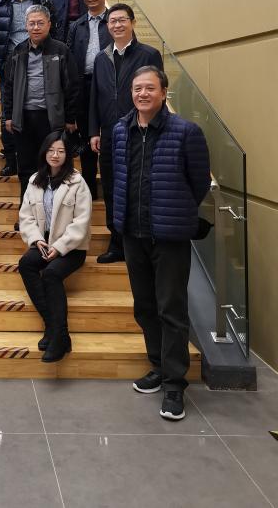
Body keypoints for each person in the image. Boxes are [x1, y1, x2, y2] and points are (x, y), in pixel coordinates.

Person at [112, 67, 210, 421]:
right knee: (145, 306)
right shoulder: (121, 129)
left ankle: (174, 384)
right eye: (137, 88)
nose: (142, 94)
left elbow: (199, 183)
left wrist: (176, 213)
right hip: (132, 233)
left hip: (169, 236)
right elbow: (119, 176)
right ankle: (158, 366)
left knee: (172, 309)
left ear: (163, 92)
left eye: (149, 88)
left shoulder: (186, 132)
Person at [89, 3, 163, 264]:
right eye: (112, 21)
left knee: (138, 186)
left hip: (141, 133)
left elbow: (158, 95)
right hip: (110, 134)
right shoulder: (101, 57)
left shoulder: (149, 54)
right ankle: (117, 242)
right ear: (107, 26)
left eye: (122, 20)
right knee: (111, 188)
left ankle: (141, 242)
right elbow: (95, 96)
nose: (117, 25)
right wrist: (94, 131)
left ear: (132, 23)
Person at [18, 132, 92, 362]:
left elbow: (81, 222)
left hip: (72, 248)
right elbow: (26, 216)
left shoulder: (78, 182)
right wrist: (36, 239)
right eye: (51, 150)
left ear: (67, 154)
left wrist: (59, 247)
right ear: (44, 152)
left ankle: (57, 336)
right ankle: (56, 330)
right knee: (26, 264)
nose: (55, 155)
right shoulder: (35, 180)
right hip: (44, 242)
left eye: (60, 151)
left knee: (51, 274)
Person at [3, 5, 79, 205]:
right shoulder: (18, 51)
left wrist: (70, 118)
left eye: (40, 23)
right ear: (26, 26)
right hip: (23, 118)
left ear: (49, 24)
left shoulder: (61, 50)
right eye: (32, 23)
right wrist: (8, 116)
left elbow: (72, 86)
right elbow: (8, 86)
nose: (36, 27)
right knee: (26, 167)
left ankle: (54, 209)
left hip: (51, 119)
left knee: (54, 165)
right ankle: (26, 209)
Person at [0, 0, 53, 176]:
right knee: (8, 111)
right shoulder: (0, 2)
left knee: (39, 108)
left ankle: (42, 158)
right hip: (10, 61)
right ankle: (11, 158)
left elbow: (51, 28)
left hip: (39, 59)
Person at [66, 0, 111, 198]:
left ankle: (111, 188)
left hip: (109, 85)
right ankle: (90, 189)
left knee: (110, 133)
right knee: (85, 137)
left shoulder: (115, 21)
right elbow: (68, 58)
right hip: (82, 85)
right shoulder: (76, 25)